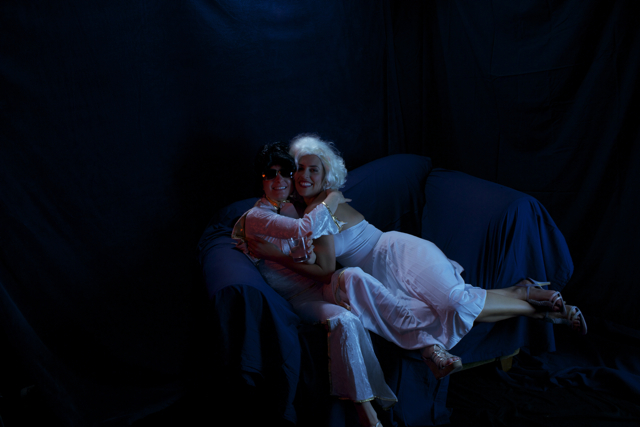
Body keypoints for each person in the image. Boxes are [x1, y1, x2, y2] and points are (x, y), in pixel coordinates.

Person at [248, 134, 587, 381]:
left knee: (456, 301)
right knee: (441, 312)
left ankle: (538, 308)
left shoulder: (324, 206)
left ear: (325, 176)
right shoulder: (306, 212)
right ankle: (527, 298)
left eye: (314, 170)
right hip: (382, 276)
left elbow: (323, 269)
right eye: (299, 170)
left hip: (397, 252)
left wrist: (273, 253)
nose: (305, 177)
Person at [233, 142, 397, 427]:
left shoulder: (292, 208)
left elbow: (308, 253)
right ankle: (367, 414)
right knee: (345, 319)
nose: (279, 180)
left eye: (286, 173)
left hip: (318, 284)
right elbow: (305, 230)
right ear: (261, 179)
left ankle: (422, 338)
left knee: (355, 276)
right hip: (300, 298)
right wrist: (332, 198)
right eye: (270, 174)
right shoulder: (257, 217)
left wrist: (302, 253)